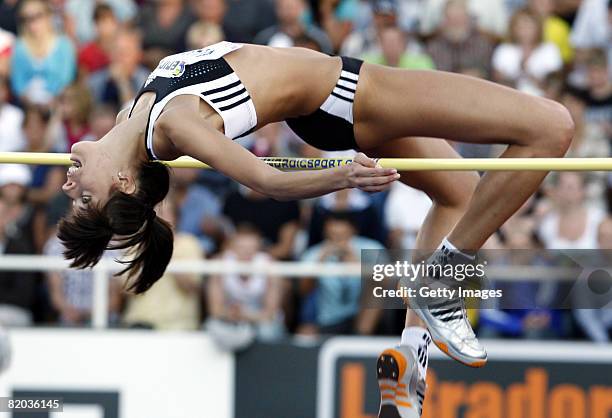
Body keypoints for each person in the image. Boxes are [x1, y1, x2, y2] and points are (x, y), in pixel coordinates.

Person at [58, 41, 574, 418]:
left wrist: (103, 203)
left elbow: (114, 170)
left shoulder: (131, 119)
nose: (69, 185)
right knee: (551, 126)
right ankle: (444, 279)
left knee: (458, 195)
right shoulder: (171, 125)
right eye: (85, 197)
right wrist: (339, 175)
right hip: (348, 95)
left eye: (77, 197)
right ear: (123, 182)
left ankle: (410, 361)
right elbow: (264, 177)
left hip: (326, 103)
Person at [9, 0, 76, 105]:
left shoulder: (64, 44)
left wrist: (53, 100)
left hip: (58, 105)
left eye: (37, 16)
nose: (32, 23)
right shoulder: (19, 47)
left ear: (48, 15)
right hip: (28, 107)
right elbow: (18, 83)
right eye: (26, 18)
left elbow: (67, 79)